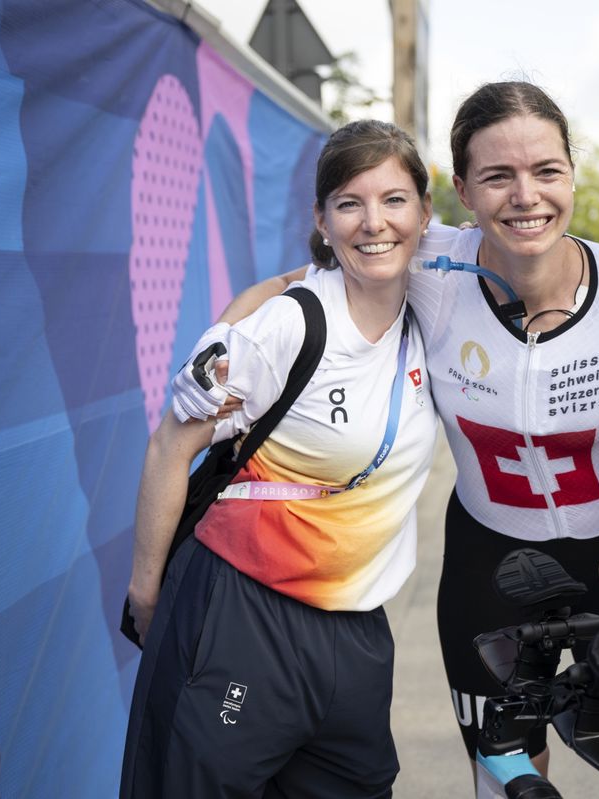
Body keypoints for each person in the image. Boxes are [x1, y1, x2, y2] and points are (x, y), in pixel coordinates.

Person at [171, 81, 599, 791]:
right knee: (507, 773)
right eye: (497, 177)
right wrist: (219, 345)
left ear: (572, 174)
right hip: (492, 564)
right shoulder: (426, 264)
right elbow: (291, 285)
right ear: (460, 192)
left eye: (546, 171)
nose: (526, 196)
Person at [120, 120, 437, 798]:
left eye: (394, 199)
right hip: (243, 607)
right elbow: (168, 448)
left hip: (357, 630)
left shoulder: (435, 305)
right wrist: (147, 594)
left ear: (426, 212)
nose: (373, 222)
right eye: (349, 203)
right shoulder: (290, 326)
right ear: (322, 219)